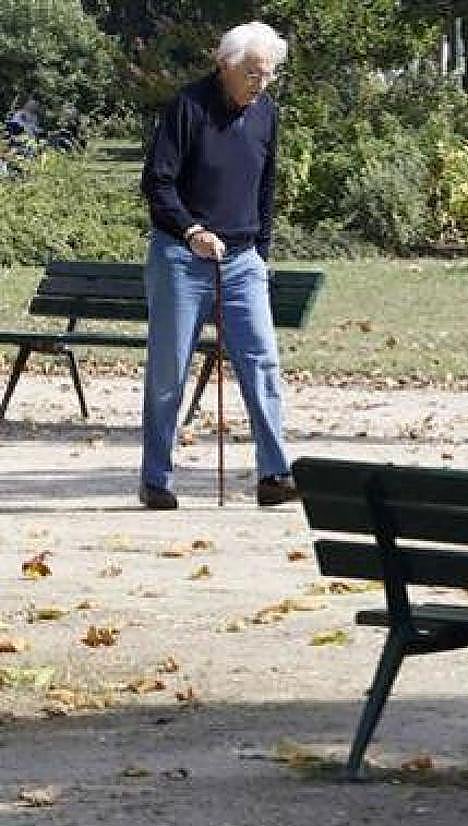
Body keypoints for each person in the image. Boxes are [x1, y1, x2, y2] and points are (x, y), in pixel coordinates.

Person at [138, 21, 296, 510]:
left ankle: (274, 474)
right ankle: (156, 478)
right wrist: (192, 230)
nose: (260, 84)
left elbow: (265, 191)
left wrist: (261, 255)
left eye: (268, 75)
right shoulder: (188, 107)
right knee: (170, 370)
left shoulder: (266, 114)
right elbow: (157, 183)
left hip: (243, 261)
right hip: (182, 258)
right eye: (252, 73)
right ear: (224, 65)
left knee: (263, 362)